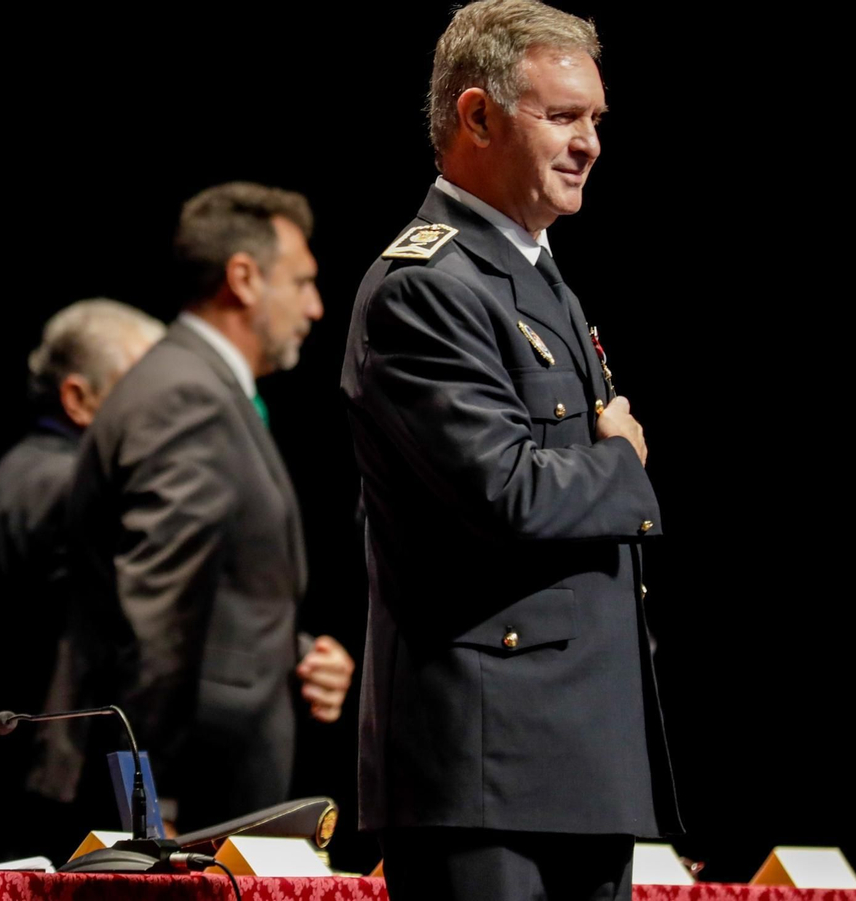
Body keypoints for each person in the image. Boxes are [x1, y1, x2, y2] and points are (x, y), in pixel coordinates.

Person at [340, 2, 677, 898]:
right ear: (478, 117)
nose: (590, 143)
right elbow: (506, 492)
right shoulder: (424, 288)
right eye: (562, 116)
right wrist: (621, 460)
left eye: (596, 119)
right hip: (485, 768)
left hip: (574, 754)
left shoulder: (538, 276)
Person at [41, 183, 355, 833]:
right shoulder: (186, 395)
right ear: (243, 278)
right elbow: (154, 620)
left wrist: (295, 654)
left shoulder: (200, 387)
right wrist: (150, 815)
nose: (316, 306)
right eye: (302, 282)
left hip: (214, 785)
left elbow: (220, 594)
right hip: (194, 800)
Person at [0, 298, 163, 715]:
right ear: (78, 399)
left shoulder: (16, 468)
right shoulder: (83, 490)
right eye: (145, 388)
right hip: (71, 739)